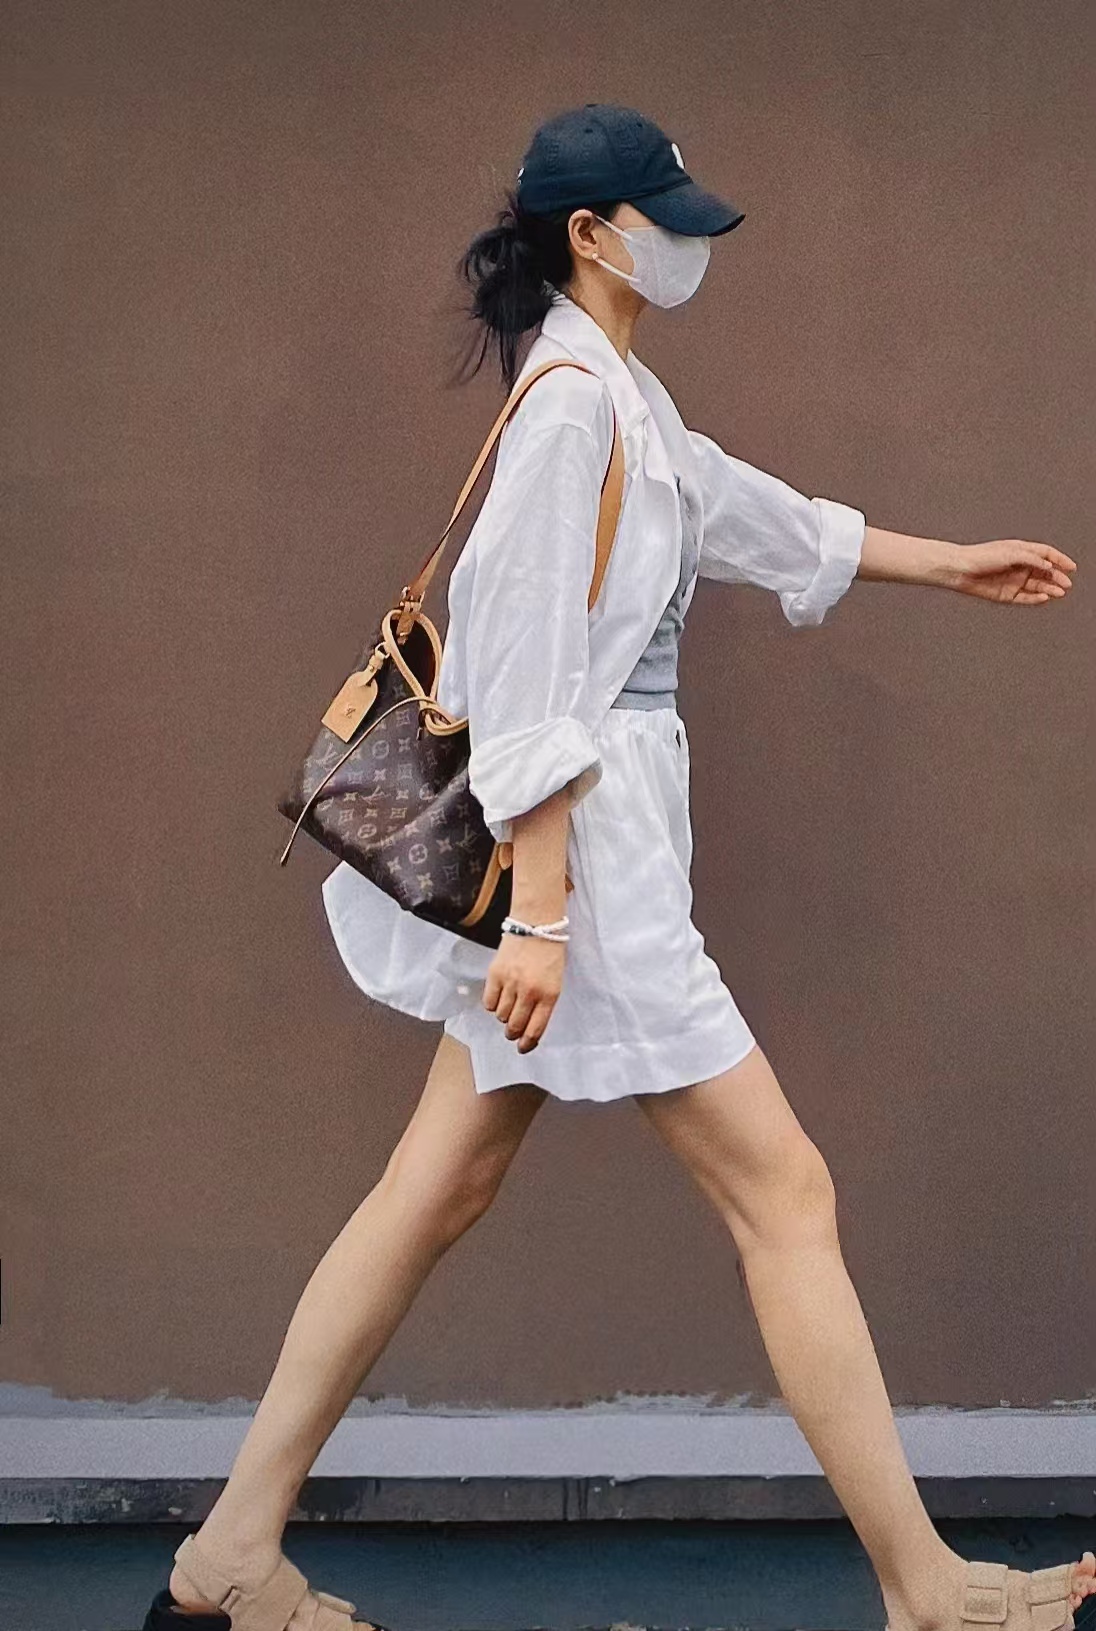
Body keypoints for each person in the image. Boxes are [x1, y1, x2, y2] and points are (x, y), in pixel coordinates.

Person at [144, 104, 1089, 1631]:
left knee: (432, 1189)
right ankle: (926, 1590)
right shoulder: (572, 410)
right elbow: (526, 686)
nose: (688, 239)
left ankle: (230, 1556)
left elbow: (734, 505)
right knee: (785, 1192)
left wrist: (947, 562)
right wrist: (542, 917)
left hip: (585, 866)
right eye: (661, 215)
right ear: (590, 234)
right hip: (587, 876)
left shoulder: (617, 393)